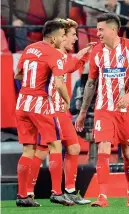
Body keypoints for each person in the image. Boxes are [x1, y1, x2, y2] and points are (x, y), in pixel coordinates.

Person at [75, 13, 129, 207]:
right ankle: (102, 196)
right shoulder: (96, 52)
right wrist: (82, 113)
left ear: (113, 30)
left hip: (128, 109)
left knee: (128, 151)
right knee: (103, 148)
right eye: (97, 29)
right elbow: (91, 84)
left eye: (100, 29)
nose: (97, 33)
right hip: (104, 108)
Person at [26, 18, 95, 205]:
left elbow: (69, 66)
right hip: (50, 110)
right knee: (42, 151)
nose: (73, 38)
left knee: (73, 148)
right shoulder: (51, 55)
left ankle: (69, 190)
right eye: (71, 35)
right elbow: (55, 81)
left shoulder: (60, 55)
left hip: (60, 112)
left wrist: (82, 55)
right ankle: (31, 192)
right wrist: (64, 100)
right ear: (61, 37)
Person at [14, 20, 73, 207]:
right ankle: (57, 192)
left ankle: (22, 196)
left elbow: (17, 75)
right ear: (54, 37)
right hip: (40, 104)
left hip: (22, 103)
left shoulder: (29, 49)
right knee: (55, 145)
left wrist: (33, 80)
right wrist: (67, 100)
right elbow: (59, 83)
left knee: (28, 150)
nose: (63, 39)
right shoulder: (54, 53)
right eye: (62, 36)